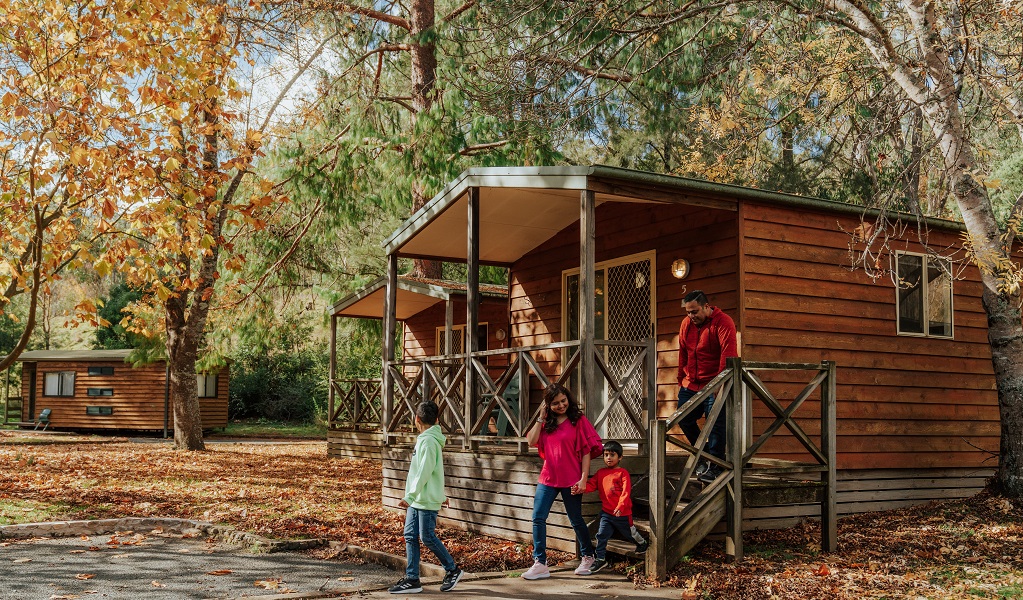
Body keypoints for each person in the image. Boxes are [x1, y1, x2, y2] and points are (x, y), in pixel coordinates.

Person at [521, 383, 604, 580]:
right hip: (548, 477)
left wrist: (584, 479)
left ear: (569, 399)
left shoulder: (578, 420)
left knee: (575, 518)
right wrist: (541, 417)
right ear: (548, 405)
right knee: (538, 517)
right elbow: (531, 441)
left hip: (572, 479)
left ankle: (588, 556)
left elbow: (586, 452)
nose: (561, 405)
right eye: (556, 403)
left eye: (563, 401)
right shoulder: (546, 421)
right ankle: (540, 563)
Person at [389, 401, 464, 594]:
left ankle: (453, 570)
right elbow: (434, 472)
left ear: (417, 419)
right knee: (410, 535)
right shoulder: (426, 439)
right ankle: (413, 579)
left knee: (427, 536)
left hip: (422, 498)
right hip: (419, 498)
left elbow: (425, 471)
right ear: (437, 420)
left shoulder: (429, 441)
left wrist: (410, 495)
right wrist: (441, 494)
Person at [677, 290, 738, 483]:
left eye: (694, 311)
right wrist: (681, 378)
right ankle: (702, 456)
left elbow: (728, 355)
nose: (691, 316)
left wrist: (719, 384)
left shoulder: (723, 322)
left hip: (714, 382)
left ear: (706, 306)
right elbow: (683, 353)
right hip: (691, 383)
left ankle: (716, 466)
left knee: (715, 425)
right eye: (688, 312)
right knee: (683, 417)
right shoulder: (686, 324)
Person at [579, 440, 648, 573]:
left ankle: (642, 543)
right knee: (601, 535)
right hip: (607, 513)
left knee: (630, 534)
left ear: (620, 457)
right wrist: (581, 488)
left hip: (622, 513)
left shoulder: (622, 473)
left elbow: (626, 492)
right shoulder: (601, 473)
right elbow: (592, 485)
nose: (609, 458)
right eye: (606, 455)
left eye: (612, 455)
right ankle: (600, 559)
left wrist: (621, 506)